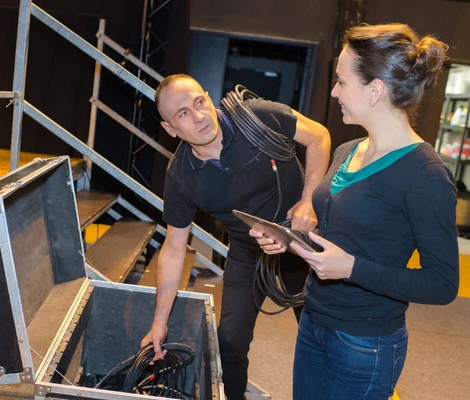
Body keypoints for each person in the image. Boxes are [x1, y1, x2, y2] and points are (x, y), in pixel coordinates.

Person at [251, 23, 459, 399]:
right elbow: (339, 233)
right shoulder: (348, 151)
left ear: (375, 89)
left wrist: (351, 269)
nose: (333, 92)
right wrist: (288, 237)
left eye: (341, 82)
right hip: (314, 321)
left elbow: (443, 284)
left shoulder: (425, 174)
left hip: (366, 343)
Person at [140, 74, 331, 400]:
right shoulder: (182, 177)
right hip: (249, 250)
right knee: (229, 342)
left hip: (302, 237)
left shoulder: (258, 116)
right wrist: (159, 322)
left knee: (322, 339)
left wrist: (309, 200)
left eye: (199, 101)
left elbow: (319, 136)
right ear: (171, 129)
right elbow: (173, 249)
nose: (199, 116)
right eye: (183, 113)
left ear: (208, 96)